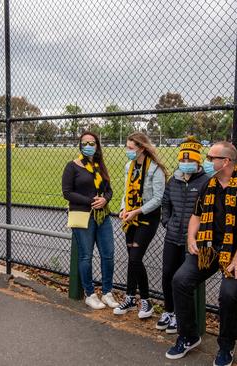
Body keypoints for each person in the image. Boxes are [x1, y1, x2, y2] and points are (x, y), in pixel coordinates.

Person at [165, 141, 237, 366]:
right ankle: (188, 336)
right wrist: (191, 237)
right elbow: (196, 216)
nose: (208, 162)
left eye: (212, 158)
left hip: (236, 253)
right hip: (208, 248)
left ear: (226, 161)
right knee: (180, 281)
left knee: (229, 295)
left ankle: (226, 347)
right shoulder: (208, 184)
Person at [62, 131, 118, 310]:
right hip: (83, 216)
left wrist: (105, 199)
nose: (88, 146)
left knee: (108, 254)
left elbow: (108, 189)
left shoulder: (100, 165)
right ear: (80, 145)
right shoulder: (72, 166)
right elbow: (67, 192)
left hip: (102, 216)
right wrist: (91, 201)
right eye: (85, 142)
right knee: (86, 256)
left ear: (97, 146)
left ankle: (107, 292)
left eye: (92, 143)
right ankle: (90, 294)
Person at [113, 132, 167, 319]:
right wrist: (123, 209)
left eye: (130, 148)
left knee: (135, 258)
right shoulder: (129, 166)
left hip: (146, 217)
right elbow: (126, 191)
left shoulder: (155, 169)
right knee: (132, 259)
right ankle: (129, 297)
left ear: (142, 148)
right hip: (130, 216)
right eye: (127, 147)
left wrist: (136, 211)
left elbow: (158, 199)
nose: (127, 151)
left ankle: (146, 300)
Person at [159, 137, 208, 333]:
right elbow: (165, 203)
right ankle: (168, 310)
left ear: (198, 162)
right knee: (167, 274)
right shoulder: (174, 180)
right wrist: (167, 222)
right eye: (183, 161)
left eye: (190, 161)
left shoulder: (206, 182)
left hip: (192, 241)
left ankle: (181, 315)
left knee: (183, 279)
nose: (186, 164)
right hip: (172, 237)